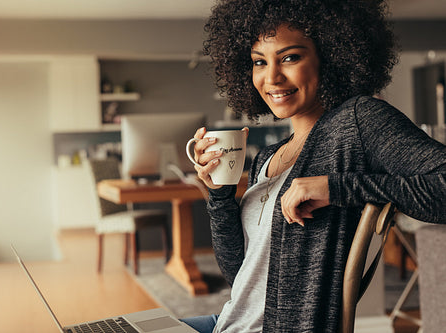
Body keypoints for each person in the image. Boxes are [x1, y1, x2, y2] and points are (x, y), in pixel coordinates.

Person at [182, 0, 446, 332]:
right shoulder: (267, 156)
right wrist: (219, 195)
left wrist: (337, 188)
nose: (272, 77)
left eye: (290, 57)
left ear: (330, 55)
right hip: (227, 322)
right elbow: (240, 274)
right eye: (259, 62)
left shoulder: (358, 120)